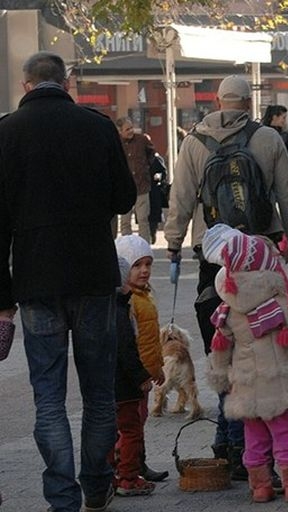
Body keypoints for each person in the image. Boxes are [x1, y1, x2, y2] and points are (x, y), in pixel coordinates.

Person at [0, 51, 136, 512]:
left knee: (49, 395)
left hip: (36, 279)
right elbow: (123, 198)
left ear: (25, 86)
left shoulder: (5, 133)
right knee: (99, 390)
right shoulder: (96, 127)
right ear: (67, 81)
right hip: (93, 274)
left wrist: (3, 296)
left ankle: (61, 496)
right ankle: (97, 484)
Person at [164, 74, 288, 479]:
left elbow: (182, 197)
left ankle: (229, 441)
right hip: (260, 250)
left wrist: (173, 241)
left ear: (218, 101)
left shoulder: (194, 142)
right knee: (258, 341)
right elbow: (285, 193)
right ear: (248, 103)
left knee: (221, 342)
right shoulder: (268, 139)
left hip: (213, 254)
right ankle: (252, 445)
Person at [202, 225, 288, 503]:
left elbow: (220, 347)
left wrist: (219, 376)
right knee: (285, 432)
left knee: (254, 436)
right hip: (276, 381)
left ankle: (260, 487)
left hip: (245, 383)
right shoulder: (278, 299)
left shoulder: (227, 308)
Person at [114, 235, 168, 486]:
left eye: (148, 264)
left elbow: (150, 339)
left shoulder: (144, 295)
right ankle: (127, 468)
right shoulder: (128, 300)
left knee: (139, 422)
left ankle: (137, 463)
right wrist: (143, 373)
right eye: (137, 265)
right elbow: (129, 343)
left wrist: (157, 367)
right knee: (130, 425)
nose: (144, 270)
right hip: (134, 375)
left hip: (145, 371)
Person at [109, 256, 155, 497]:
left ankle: (107, 477)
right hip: (124, 387)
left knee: (108, 431)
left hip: (106, 386)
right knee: (131, 431)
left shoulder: (103, 310)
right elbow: (127, 350)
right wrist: (141, 377)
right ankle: (128, 477)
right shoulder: (120, 312)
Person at [114, 117, 157, 242]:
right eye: (127, 129)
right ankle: (127, 246)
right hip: (125, 187)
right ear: (120, 131)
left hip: (141, 185)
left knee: (143, 219)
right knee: (125, 221)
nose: (130, 131)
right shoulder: (117, 143)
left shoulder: (142, 140)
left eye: (131, 128)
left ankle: (144, 245)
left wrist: (146, 166)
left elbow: (151, 152)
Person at [262, 105, 288, 175]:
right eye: (283, 118)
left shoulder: (286, 133)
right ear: (275, 117)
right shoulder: (263, 133)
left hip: (282, 172)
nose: (284, 121)